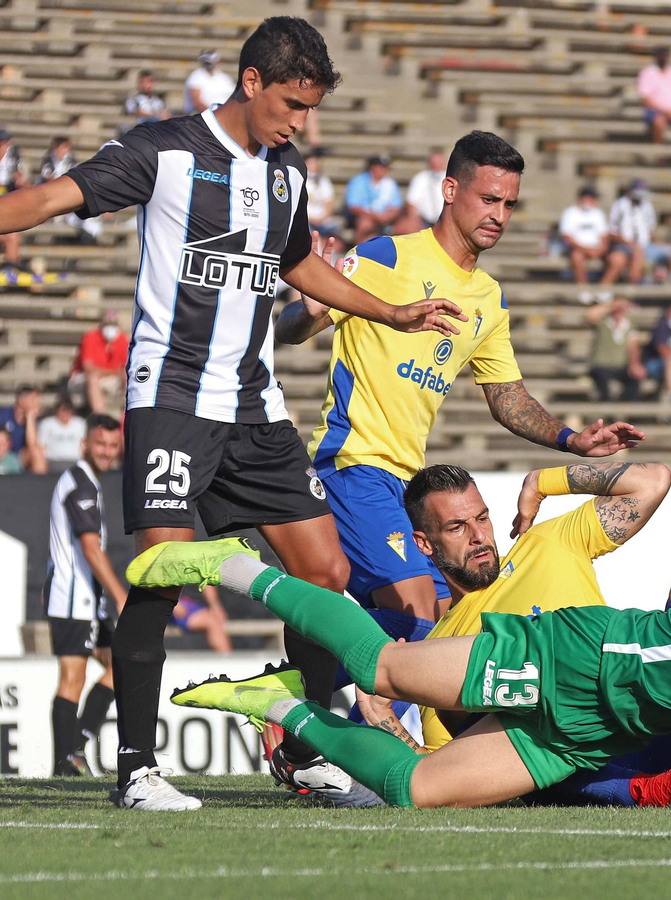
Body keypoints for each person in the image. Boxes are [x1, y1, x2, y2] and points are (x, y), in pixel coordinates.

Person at [0, 16, 464, 812]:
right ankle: (137, 769)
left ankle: (306, 742)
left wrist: (388, 313)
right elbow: (59, 194)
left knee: (326, 572)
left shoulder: (286, 172)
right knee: (157, 580)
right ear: (251, 82)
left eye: (309, 108)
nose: (299, 121)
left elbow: (300, 261)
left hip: (255, 406)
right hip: (172, 399)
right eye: (291, 102)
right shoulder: (166, 149)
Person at [140, 517, 671, 811]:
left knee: (416, 792)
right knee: (383, 668)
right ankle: (229, 563)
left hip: (601, 728)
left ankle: (283, 706)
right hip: (580, 663)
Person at [274, 131, 643, 803]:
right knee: (422, 611)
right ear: (450, 190)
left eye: (509, 203)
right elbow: (293, 328)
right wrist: (308, 311)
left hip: (402, 482)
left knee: (435, 620)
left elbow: (506, 396)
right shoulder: (385, 257)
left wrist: (570, 439)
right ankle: (343, 741)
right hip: (353, 465)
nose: (498, 214)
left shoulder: (488, 299)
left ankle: (302, 701)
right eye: (487, 197)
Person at [398, 463, 671, 808]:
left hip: (660, 713)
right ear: (425, 543)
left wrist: (542, 482)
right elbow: (450, 773)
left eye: (482, 518)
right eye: (457, 527)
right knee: (516, 731)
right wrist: (389, 722)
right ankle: (648, 790)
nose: (479, 536)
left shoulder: (547, 543)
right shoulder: (440, 649)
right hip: (582, 763)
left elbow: (653, 481)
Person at [46, 414, 126, 776]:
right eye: (100, 444)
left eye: (112, 445)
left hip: (87, 601)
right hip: (71, 597)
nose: (107, 452)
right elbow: (91, 549)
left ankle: (74, 747)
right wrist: (120, 595)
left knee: (119, 664)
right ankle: (65, 763)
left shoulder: (87, 482)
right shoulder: (79, 483)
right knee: (72, 678)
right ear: (85, 445)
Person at [558, 186, 622, 300]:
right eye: (592, 198)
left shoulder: (598, 213)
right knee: (576, 257)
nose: (593, 201)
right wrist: (586, 249)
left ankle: (603, 289)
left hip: (597, 249)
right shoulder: (570, 213)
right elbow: (567, 236)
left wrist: (602, 248)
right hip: (579, 249)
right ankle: (583, 289)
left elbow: (604, 235)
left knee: (618, 259)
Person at [70, 311, 129, 414]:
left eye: (113, 325)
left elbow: (124, 367)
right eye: (107, 325)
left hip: (111, 378)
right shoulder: (91, 337)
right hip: (83, 378)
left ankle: (127, 413)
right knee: (93, 378)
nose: (110, 329)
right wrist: (114, 371)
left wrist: (115, 372)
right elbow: (88, 368)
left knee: (129, 376)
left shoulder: (122, 339)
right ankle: (100, 416)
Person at [586, 296, 643, 402]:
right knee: (602, 381)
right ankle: (607, 407)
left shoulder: (629, 325)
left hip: (620, 366)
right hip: (601, 365)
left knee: (635, 379)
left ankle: (629, 409)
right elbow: (591, 315)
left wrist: (634, 364)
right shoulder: (603, 322)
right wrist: (612, 305)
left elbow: (633, 348)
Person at [345, 154, 405, 244]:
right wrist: (375, 216)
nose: (385, 171)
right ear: (373, 168)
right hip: (366, 217)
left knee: (406, 226)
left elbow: (396, 206)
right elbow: (354, 206)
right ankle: (359, 253)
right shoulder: (359, 181)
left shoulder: (390, 183)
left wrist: (388, 216)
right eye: (382, 167)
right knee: (365, 224)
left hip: (387, 218)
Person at [608, 179, 657, 285]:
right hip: (623, 244)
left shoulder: (647, 206)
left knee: (668, 253)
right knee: (621, 258)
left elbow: (651, 230)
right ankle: (633, 284)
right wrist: (629, 243)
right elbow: (612, 231)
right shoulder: (619, 205)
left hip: (645, 245)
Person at [0, 385, 43, 470]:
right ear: (21, 400)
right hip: (1, 452)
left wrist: (29, 417)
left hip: (20, 456)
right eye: (33, 399)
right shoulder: (5, 413)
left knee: (37, 453)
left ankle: (39, 482)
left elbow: (32, 445)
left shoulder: (34, 419)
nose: (36, 403)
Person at [172, 584, 231, 652]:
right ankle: (227, 660)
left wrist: (215, 606)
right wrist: (173, 603)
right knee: (210, 621)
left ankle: (227, 659)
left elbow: (206, 580)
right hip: (163, 600)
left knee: (214, 618)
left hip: (180, 601)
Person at [38, 396, 88, 466]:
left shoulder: (80, 424)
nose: (65, 413)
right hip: (53, 462)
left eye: (68, 410)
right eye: (63, 410)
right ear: (56, 410)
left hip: (74, 462)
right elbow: (41, 447)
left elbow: (84, 447)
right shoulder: (47, 424)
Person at [405, 150, 446, 230]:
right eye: (434, 163)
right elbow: (411, 202)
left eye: (438, 163)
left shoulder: (450, 178)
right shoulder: (420, 178)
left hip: (445, 221)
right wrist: (414, 220)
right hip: (424, 222)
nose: (436, 166)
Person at [184, 49, 235, 113]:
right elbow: (196, 101)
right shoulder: (196, 76)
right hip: (201, 115)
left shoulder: (225, 78)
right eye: (207, 63)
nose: (210, 65)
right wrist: (213, 114)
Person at [303, 148, 338, 239]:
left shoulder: (323, 180)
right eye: (311, 163)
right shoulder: (299, 180)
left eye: (315, 163)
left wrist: (323, 218)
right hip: (305, 219)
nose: (314, 166)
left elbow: (329, 202)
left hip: (322, 220)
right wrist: (310, 219)